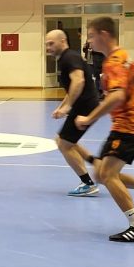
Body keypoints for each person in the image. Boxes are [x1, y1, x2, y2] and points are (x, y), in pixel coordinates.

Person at [74, 17, 134, 242]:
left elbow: (116, 96)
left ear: (104, 34)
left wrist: (89, 118)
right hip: (128, 123)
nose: (89, 41)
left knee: (107, 175)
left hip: (128, 126)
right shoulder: (125, 57)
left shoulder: (114, 62)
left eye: (91, 35)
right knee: (101, 174)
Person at [45, 29, 100, 197]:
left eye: (51, 43)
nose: (48, 47)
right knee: (63, 140)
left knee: (64, 144)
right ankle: (96, 163)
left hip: (85, 106)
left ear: (63, 41)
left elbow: (79, 81)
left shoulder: (69, 57)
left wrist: (68, 107)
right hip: (83, 105)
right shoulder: (66, 58)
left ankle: (88, 184)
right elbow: (71, 89)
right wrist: (62, 106)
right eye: (46, 44)